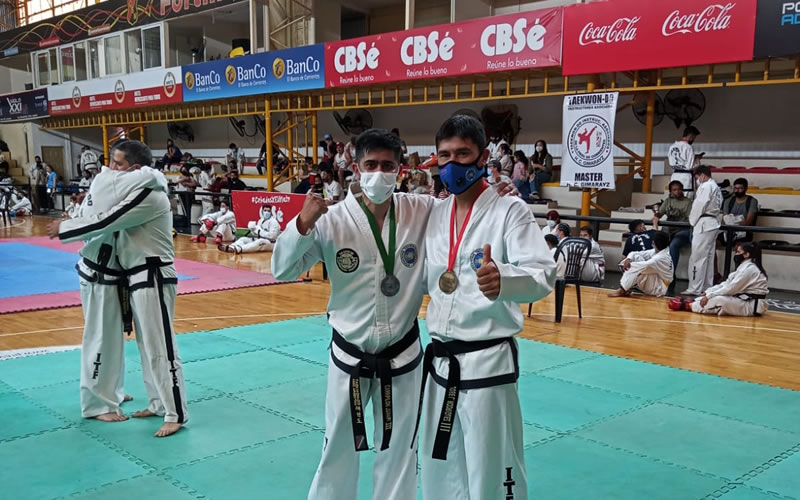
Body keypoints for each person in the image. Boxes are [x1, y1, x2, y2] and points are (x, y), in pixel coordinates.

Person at [272, 129, 434, 500]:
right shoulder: (329, 220)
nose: (379, 173)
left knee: (400, 451)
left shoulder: (420, 209)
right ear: (356, 169)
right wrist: (301, 224)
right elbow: (282, 270)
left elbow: (464, 208)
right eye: (371, 165)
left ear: (401, 170)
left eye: (388, 165)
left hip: (403, 356)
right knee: (338, 448)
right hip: (350, 355)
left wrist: (496, 195)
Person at [417, 114, 555, 500]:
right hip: (441, 363)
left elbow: (544, 273)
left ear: (482, 159)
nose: (453, 164)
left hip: (487, 363)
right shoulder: (434, 213)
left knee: (491, 473)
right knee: (440, 471)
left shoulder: (510, 212)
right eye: (445, 155)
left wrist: (504, 280)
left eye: (463, 154)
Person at [50, 140, 188, 437]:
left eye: (118, 164)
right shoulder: (125, 186)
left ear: (136, 170)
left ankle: (174, 411)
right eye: (110, 162)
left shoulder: (149, 192)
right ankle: (151, 402)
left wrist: (66, 229)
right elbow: (105, 198)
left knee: (159, 347)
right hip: (119, 274)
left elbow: (108, 219)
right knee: (135, 344)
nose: (110, 170)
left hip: (150, 274)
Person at [689, 242, 768, 316]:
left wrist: (710, 296)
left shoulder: (750, 269)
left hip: (751, 305)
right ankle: (693, 303)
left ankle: (688, 306)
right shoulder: (744, 266)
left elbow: (731, 289)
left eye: (738, 252)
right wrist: (709, 291)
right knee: (708, 297)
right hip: (744, 300)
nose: (736, 254)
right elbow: (727, 283)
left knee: (718, 300)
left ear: (747, 254)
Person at [683, 165, 723, 296]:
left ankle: (694, 288)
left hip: (704, 224)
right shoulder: (716, 187)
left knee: (698, 257)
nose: (697, 180)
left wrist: (692, 221)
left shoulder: (706, 186)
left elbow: (699, 205)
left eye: (697, 177)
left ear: (702, 176)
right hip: (713, 223)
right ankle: (706, 286)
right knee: (708, 257)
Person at [652, 180, 692, 294]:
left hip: (683, 230)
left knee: (674, 244)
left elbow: (690, 220)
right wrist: (655, 228)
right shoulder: (668, 201)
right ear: (670, 191)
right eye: (674, 190)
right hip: (668, 231)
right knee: (658, 242)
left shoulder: (688, 202)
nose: (677, 192)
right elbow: (657, 216)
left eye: (679, 189)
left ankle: (671, 274)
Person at [609, 231, 673, 297]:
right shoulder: (662, 251)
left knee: (637, 269)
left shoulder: (661, 258)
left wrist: (625, 265)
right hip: (657, 281)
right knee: (636, 258)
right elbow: (635, 253)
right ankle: (627, 288)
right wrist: (628, 259)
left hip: (658, 289)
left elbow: (642, 266)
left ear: (655, 243)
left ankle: (622, 290)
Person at [667, 126, 703, 198]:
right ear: (690, 136)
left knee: (674, 198)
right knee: (686, 199)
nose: (693, 140)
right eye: (694, 138)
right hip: (685, 178)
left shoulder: (672, 146)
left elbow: (679, 158)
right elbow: (690, 166)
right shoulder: (688, 147)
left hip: (675, 175)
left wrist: (694, 157)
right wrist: (697, 160)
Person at [721, 178, 759, 244]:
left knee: (739, 246)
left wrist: (733, 221)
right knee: (712, 242)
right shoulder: (728, 201)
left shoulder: (752, 201)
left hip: (744, 232)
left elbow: (748, 222)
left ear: (746, 188)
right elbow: (724, 219)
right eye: (735, 188)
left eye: (740, 188)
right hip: (728, 231)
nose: (737, 191)